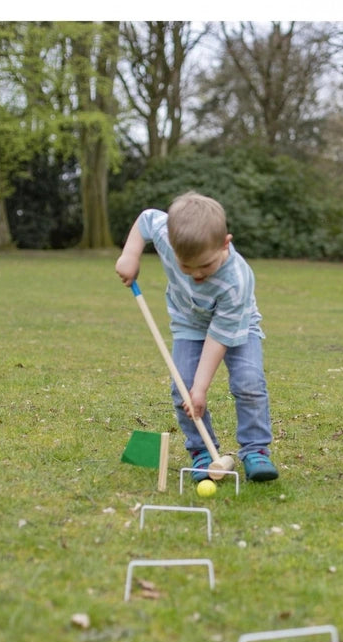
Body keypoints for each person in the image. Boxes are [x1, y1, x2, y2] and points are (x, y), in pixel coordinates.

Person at [115, 192, 279, 482]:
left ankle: (255, 449)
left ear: (224, 243)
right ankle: (201, 450)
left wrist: (201, 388)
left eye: (205, 266)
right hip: (188, 322)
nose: (196, 275)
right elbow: (146, 220)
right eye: (185, 267)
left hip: (236, 326)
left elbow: (219, 337)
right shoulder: (168, 235)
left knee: (248, 381)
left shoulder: (236, 280)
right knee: (183, 389)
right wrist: (130, 255)